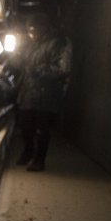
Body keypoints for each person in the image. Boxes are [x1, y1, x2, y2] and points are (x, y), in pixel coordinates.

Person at [15, 15, 72, 171]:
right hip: (29, 92)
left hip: (46, 93)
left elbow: (63, 68)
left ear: (42, 28)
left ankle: (39, 160)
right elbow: (26, 68)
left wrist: (40, 70)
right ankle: (28, 152)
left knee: (42, 128)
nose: (30, 33)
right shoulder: (33, 45)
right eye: (28, 31)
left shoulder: (58, 43)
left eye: (32, 30)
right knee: (25, 125)